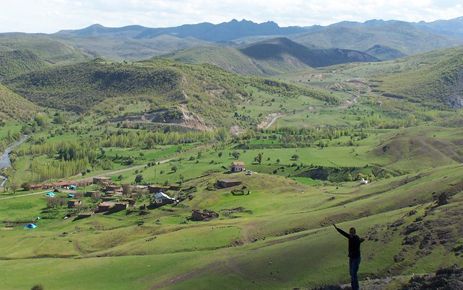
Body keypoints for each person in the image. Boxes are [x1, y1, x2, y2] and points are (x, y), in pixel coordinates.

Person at [333, 224, 365, 290]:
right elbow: (343, 233)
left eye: (352, 233)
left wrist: (360, 240)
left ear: (354, 233)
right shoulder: (350, 237)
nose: (350, 234)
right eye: (350, 232)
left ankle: (356, 288)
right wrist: (337, 228)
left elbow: (359, 241)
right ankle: (353, 286)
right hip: (351, 258)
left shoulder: (356, 238)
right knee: (351, 273)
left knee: (354, 273)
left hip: (356, 258)